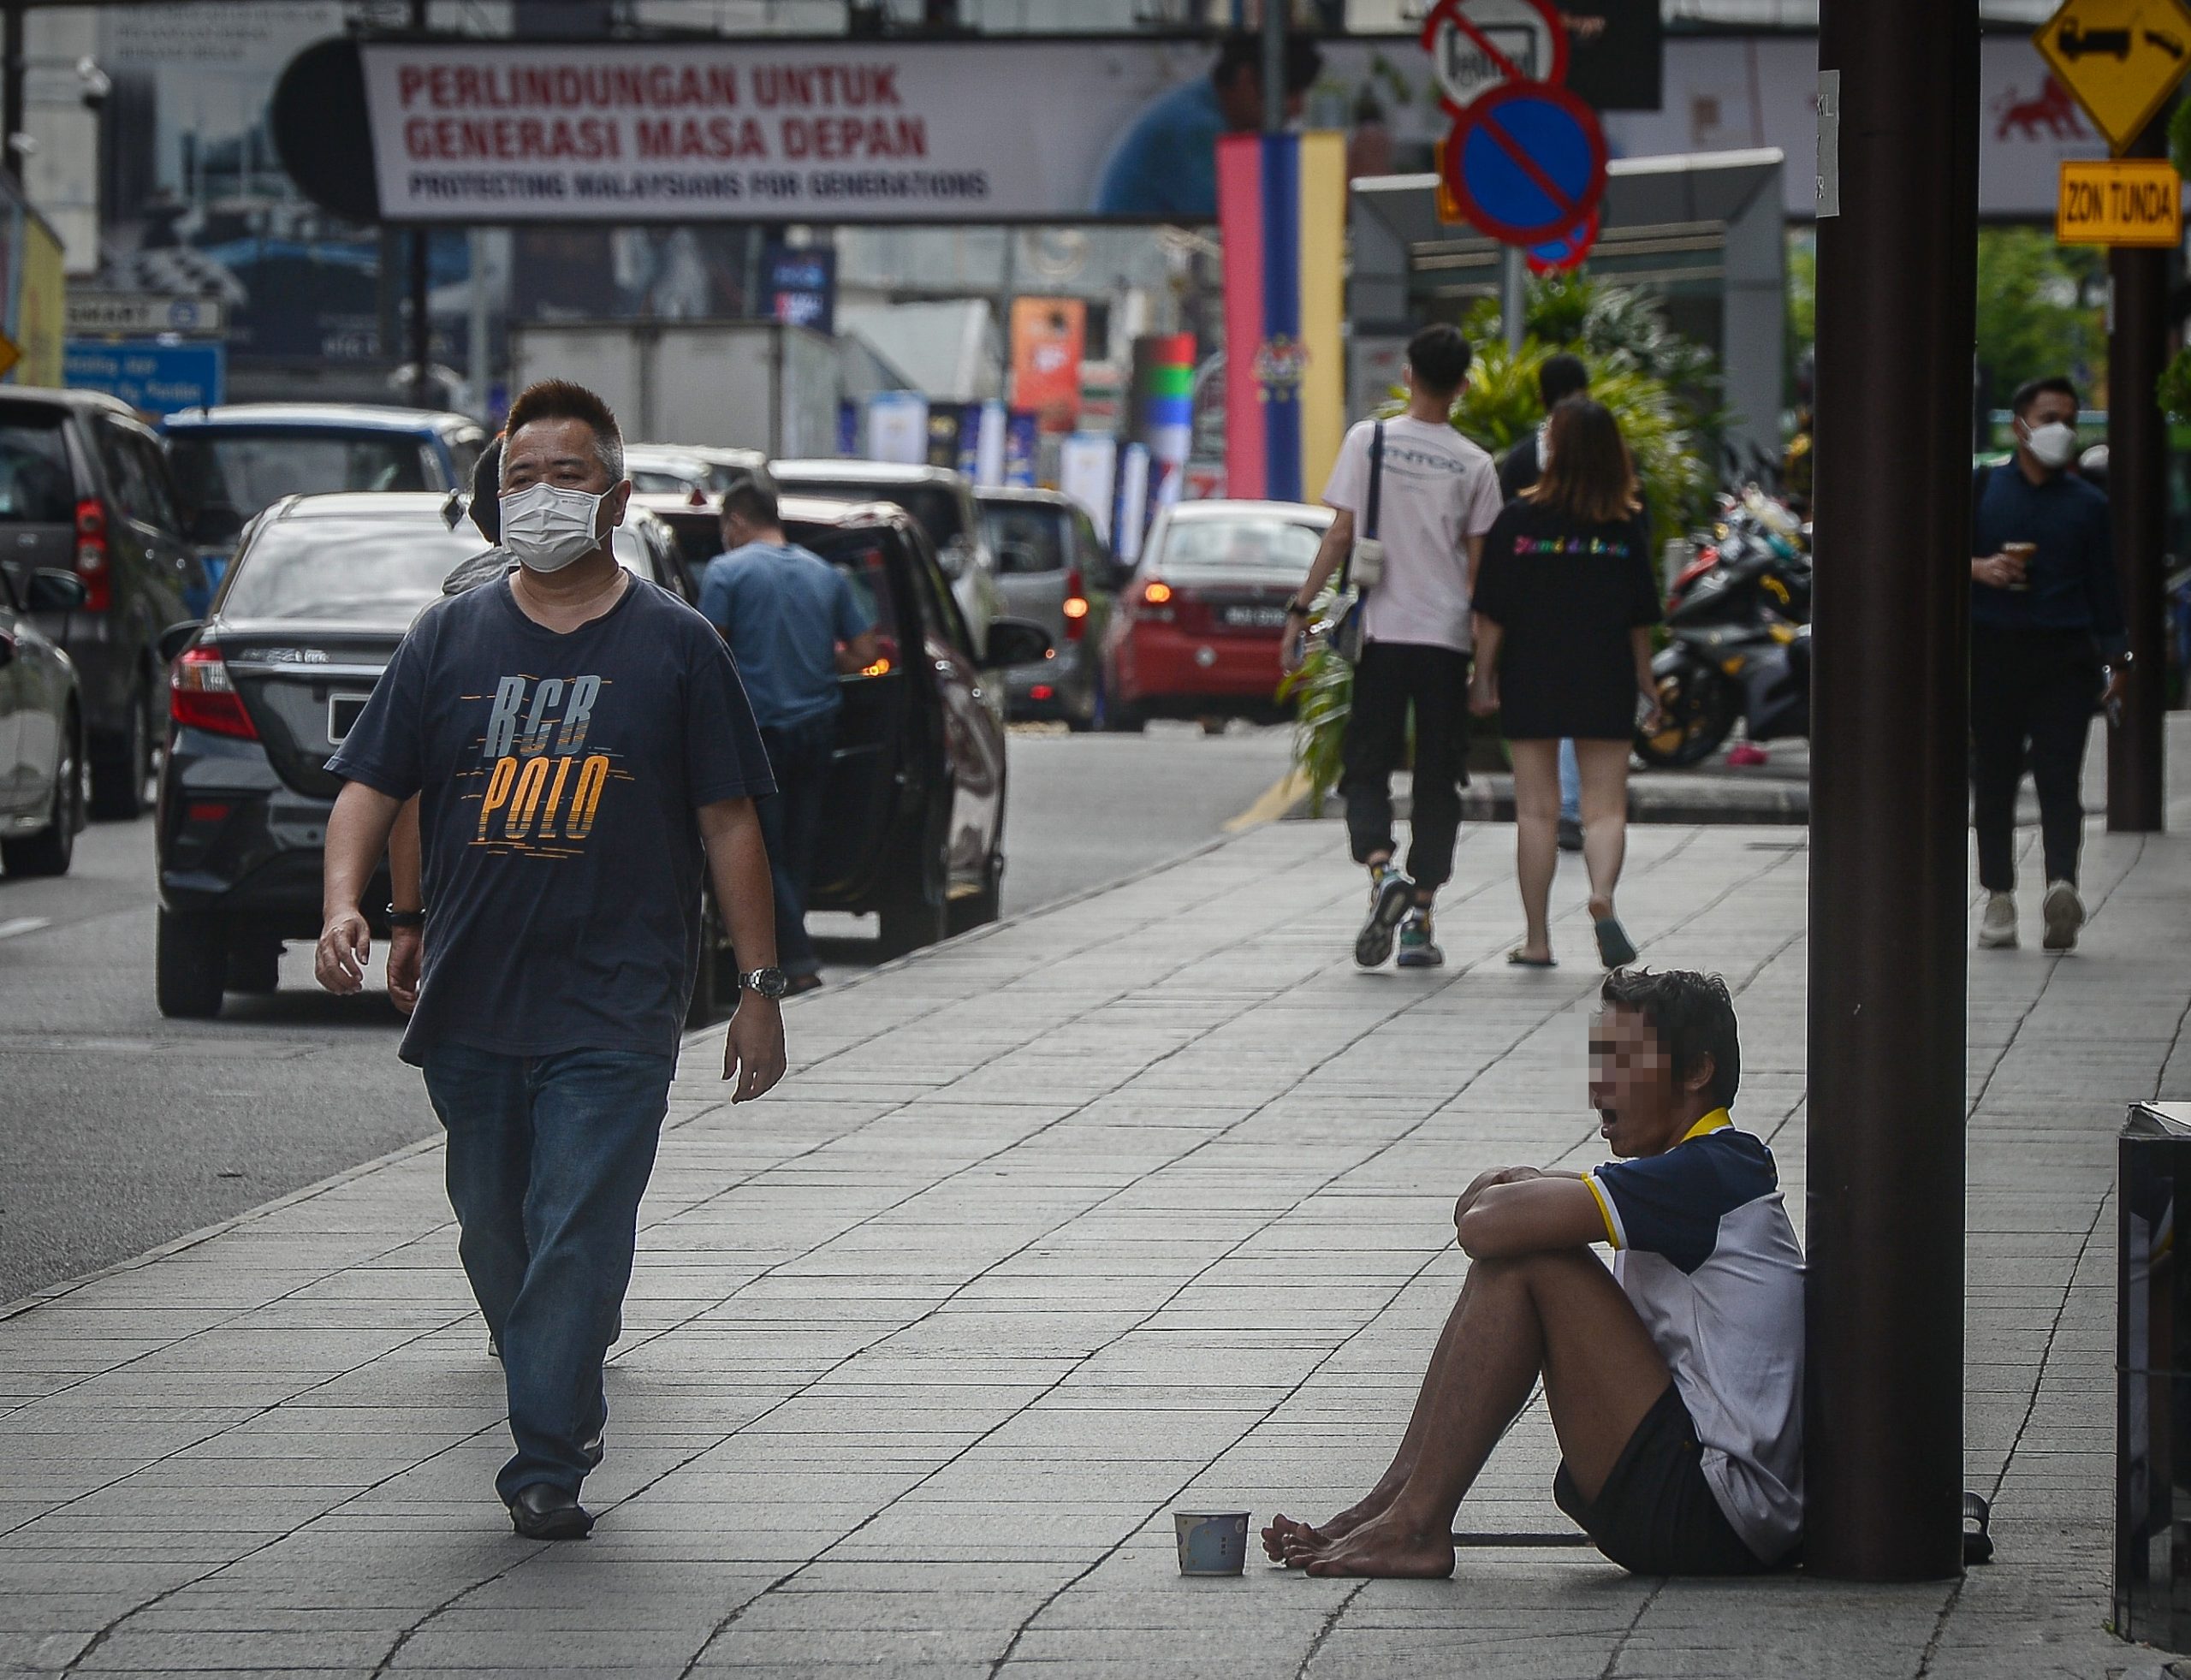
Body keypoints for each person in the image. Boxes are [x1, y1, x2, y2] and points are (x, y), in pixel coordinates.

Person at [314, 380, 790, 1542]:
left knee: (578, 1219)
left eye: (563, 475)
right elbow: (378, 784)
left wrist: (761, 991)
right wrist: (354, 905)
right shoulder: (448, 634)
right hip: (475, 992)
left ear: (615, 497)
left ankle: (545, 1454)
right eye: (517, 478)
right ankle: (558, 1358)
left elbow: (732, 821)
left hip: (618, 1000)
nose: (536, 496)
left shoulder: (679, 645)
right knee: (493, 1223)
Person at [1263, 969, 1803, 1580]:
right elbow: (1489, 1212)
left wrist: (1517, 1192)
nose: (1600, 1085)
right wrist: (1519, 1193)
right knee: (1526, 1245)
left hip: (1713, 1510)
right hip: (1703, 1504)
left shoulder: (1707, 1172)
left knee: (1535, 1260)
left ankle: (1414, 1521)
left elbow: (1485, 1225)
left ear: (1697, 1071)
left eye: (1623, 1060)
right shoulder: (1688, 1172)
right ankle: (1392, 1504)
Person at [1283, 322, 1504, 971]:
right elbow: (1480, 577)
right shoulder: (1475, 464)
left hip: (1381, 636)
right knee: (1439, 775)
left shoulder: (1369, 440)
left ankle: (1383, 876)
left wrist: (1301, 610)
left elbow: (1341, 534)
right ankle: (1420, 919)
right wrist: (1484, 670)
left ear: (1408, 373)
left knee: (1368, 764)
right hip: (1443, 641)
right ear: (1463, 385)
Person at [1472, 398, 1662, 970]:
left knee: (1537, 811)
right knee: (1605, 808)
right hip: (1605, 672)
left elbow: (1492, 612)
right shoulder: (1625, 524)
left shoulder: (1516, 522)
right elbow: (1639, 618)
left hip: (1533, 671)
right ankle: (1601, 894)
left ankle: (1537, 940)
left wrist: (1482, 675)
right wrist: (1649, 682)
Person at [699, 472, 878, 995]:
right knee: (798, 849)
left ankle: (796, 959)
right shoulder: (826, 574)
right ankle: (781, 949)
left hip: (758, 732)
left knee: (763, 849)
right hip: (818, 728)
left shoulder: (726, 573)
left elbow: (711, 652)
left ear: (735, 522)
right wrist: (823, 657)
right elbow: (866, 653)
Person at [1969, 375, 2127, 953]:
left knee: (2061, 778)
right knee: (1994, 780)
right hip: (1993, 651)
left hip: (2065, 658)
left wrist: (2119, 659)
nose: (2058, 429)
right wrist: (1981, 569)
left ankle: (2062, 887)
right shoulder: (1985, 488)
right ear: (2020, 425)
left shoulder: (2088, 503)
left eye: (2068, 417)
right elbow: (1937, 556)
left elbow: (2105, 586)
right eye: (2048, 417)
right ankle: (1999, 896)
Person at [1499, 353, 1594, 854]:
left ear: (1540, 397)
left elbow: (1500, 537)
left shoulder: (1518, 461)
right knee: (1584, 713)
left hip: (1533, 609)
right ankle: (1577, 810)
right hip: (1593, 608)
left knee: (1545, 716)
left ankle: (1548, 811)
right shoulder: (1611, 454)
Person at [1093, 33, 1322, 218]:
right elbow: (1240, 222)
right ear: (1246, 79)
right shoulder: (1194, 129)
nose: (1297, 109)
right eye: (1291, 92)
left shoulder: (1195, 107)